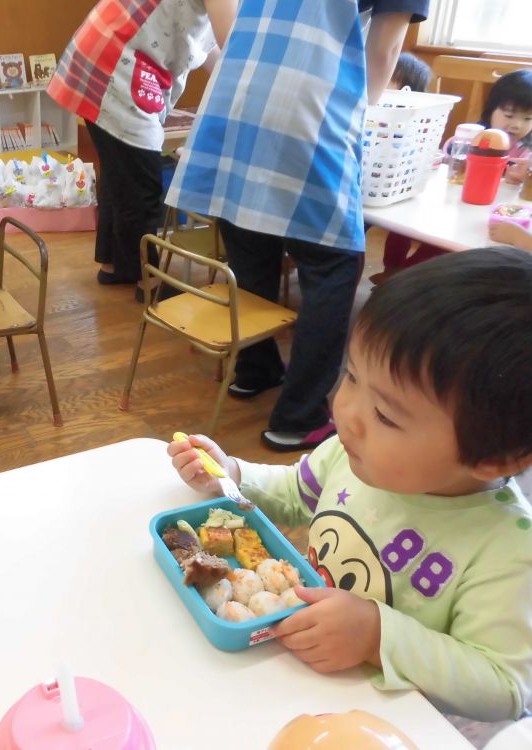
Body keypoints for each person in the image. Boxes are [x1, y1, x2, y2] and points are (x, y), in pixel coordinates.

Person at [168, 246, 532, 722]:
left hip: (379, 718)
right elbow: (295, 495)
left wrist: (378, 637)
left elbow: (506, 688)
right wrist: (232, 476)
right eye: (352, 376)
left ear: (494, 457)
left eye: (385, 413)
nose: (347, 412)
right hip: (291, 677)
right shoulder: (353, 450)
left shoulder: (508, 552)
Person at [167, 0, 428, 451]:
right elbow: (385, 52)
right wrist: (354, 113)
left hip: (235, 101)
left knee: (251, 240)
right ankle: (300, 416)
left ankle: (255, 370)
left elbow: (231, 25)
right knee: (336, 264)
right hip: (306, 106)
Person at [47, 0, 235, 301]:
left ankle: (115, 266)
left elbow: (215, 46)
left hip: (102, 51)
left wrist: (226, 76)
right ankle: (148, 282)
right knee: (143, 187)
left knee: (120, 175)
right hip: (119, 66)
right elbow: (233, 42)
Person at [381, 69, 532, 277]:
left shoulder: (525, 151)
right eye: (508, 115)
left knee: (437, 250)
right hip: (452, 205)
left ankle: (404, 275)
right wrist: (460, 150)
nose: (517, 124)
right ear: (491, 110)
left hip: (482, 217)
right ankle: (392, 267)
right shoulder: (476, 136)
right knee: (404, 224)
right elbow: (449, 155)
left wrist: (519, 177)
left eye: (528, 118)